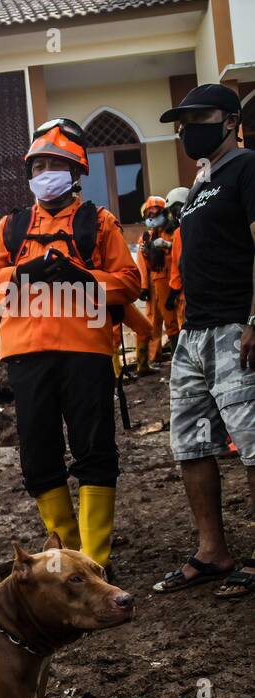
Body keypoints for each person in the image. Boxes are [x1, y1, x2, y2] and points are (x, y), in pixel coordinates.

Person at [0, 117, 142, 571]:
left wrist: (84, 278)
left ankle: (95, 560)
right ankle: (69, 558)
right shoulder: (12, 226)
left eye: (54, 163)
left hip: (85, 353)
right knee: (39, 458)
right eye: (37, 165)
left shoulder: (99, 223)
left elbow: (130, 282)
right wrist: (21, 274)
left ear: (75, 170)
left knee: (95, 452)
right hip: (26, 357)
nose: (44, 172)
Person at [151, 84, 255, 600]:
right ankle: (212, 551)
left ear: (231, 120)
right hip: (193, 336)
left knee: (253, 443)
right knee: (189, 442)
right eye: (183, 120)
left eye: (201, 116)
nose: (189, 127)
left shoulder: (247, 167)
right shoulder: (199, 185)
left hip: (236, 328)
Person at [134, 195, 172, 374]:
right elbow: (142, 264)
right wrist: (143, 287)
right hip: (154, 281)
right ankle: (149, 358)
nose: (152, 216)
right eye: (149, 213)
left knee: (175, 319)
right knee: (152, 321)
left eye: (155, 212)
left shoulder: (172, 232)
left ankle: (179, 353)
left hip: (172, 280)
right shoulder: (146, 237)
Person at [162, 185, 192, 353]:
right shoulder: (197, 226)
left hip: (185, 295)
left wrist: (172, 293)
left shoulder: (180, 232)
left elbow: (179, 265)